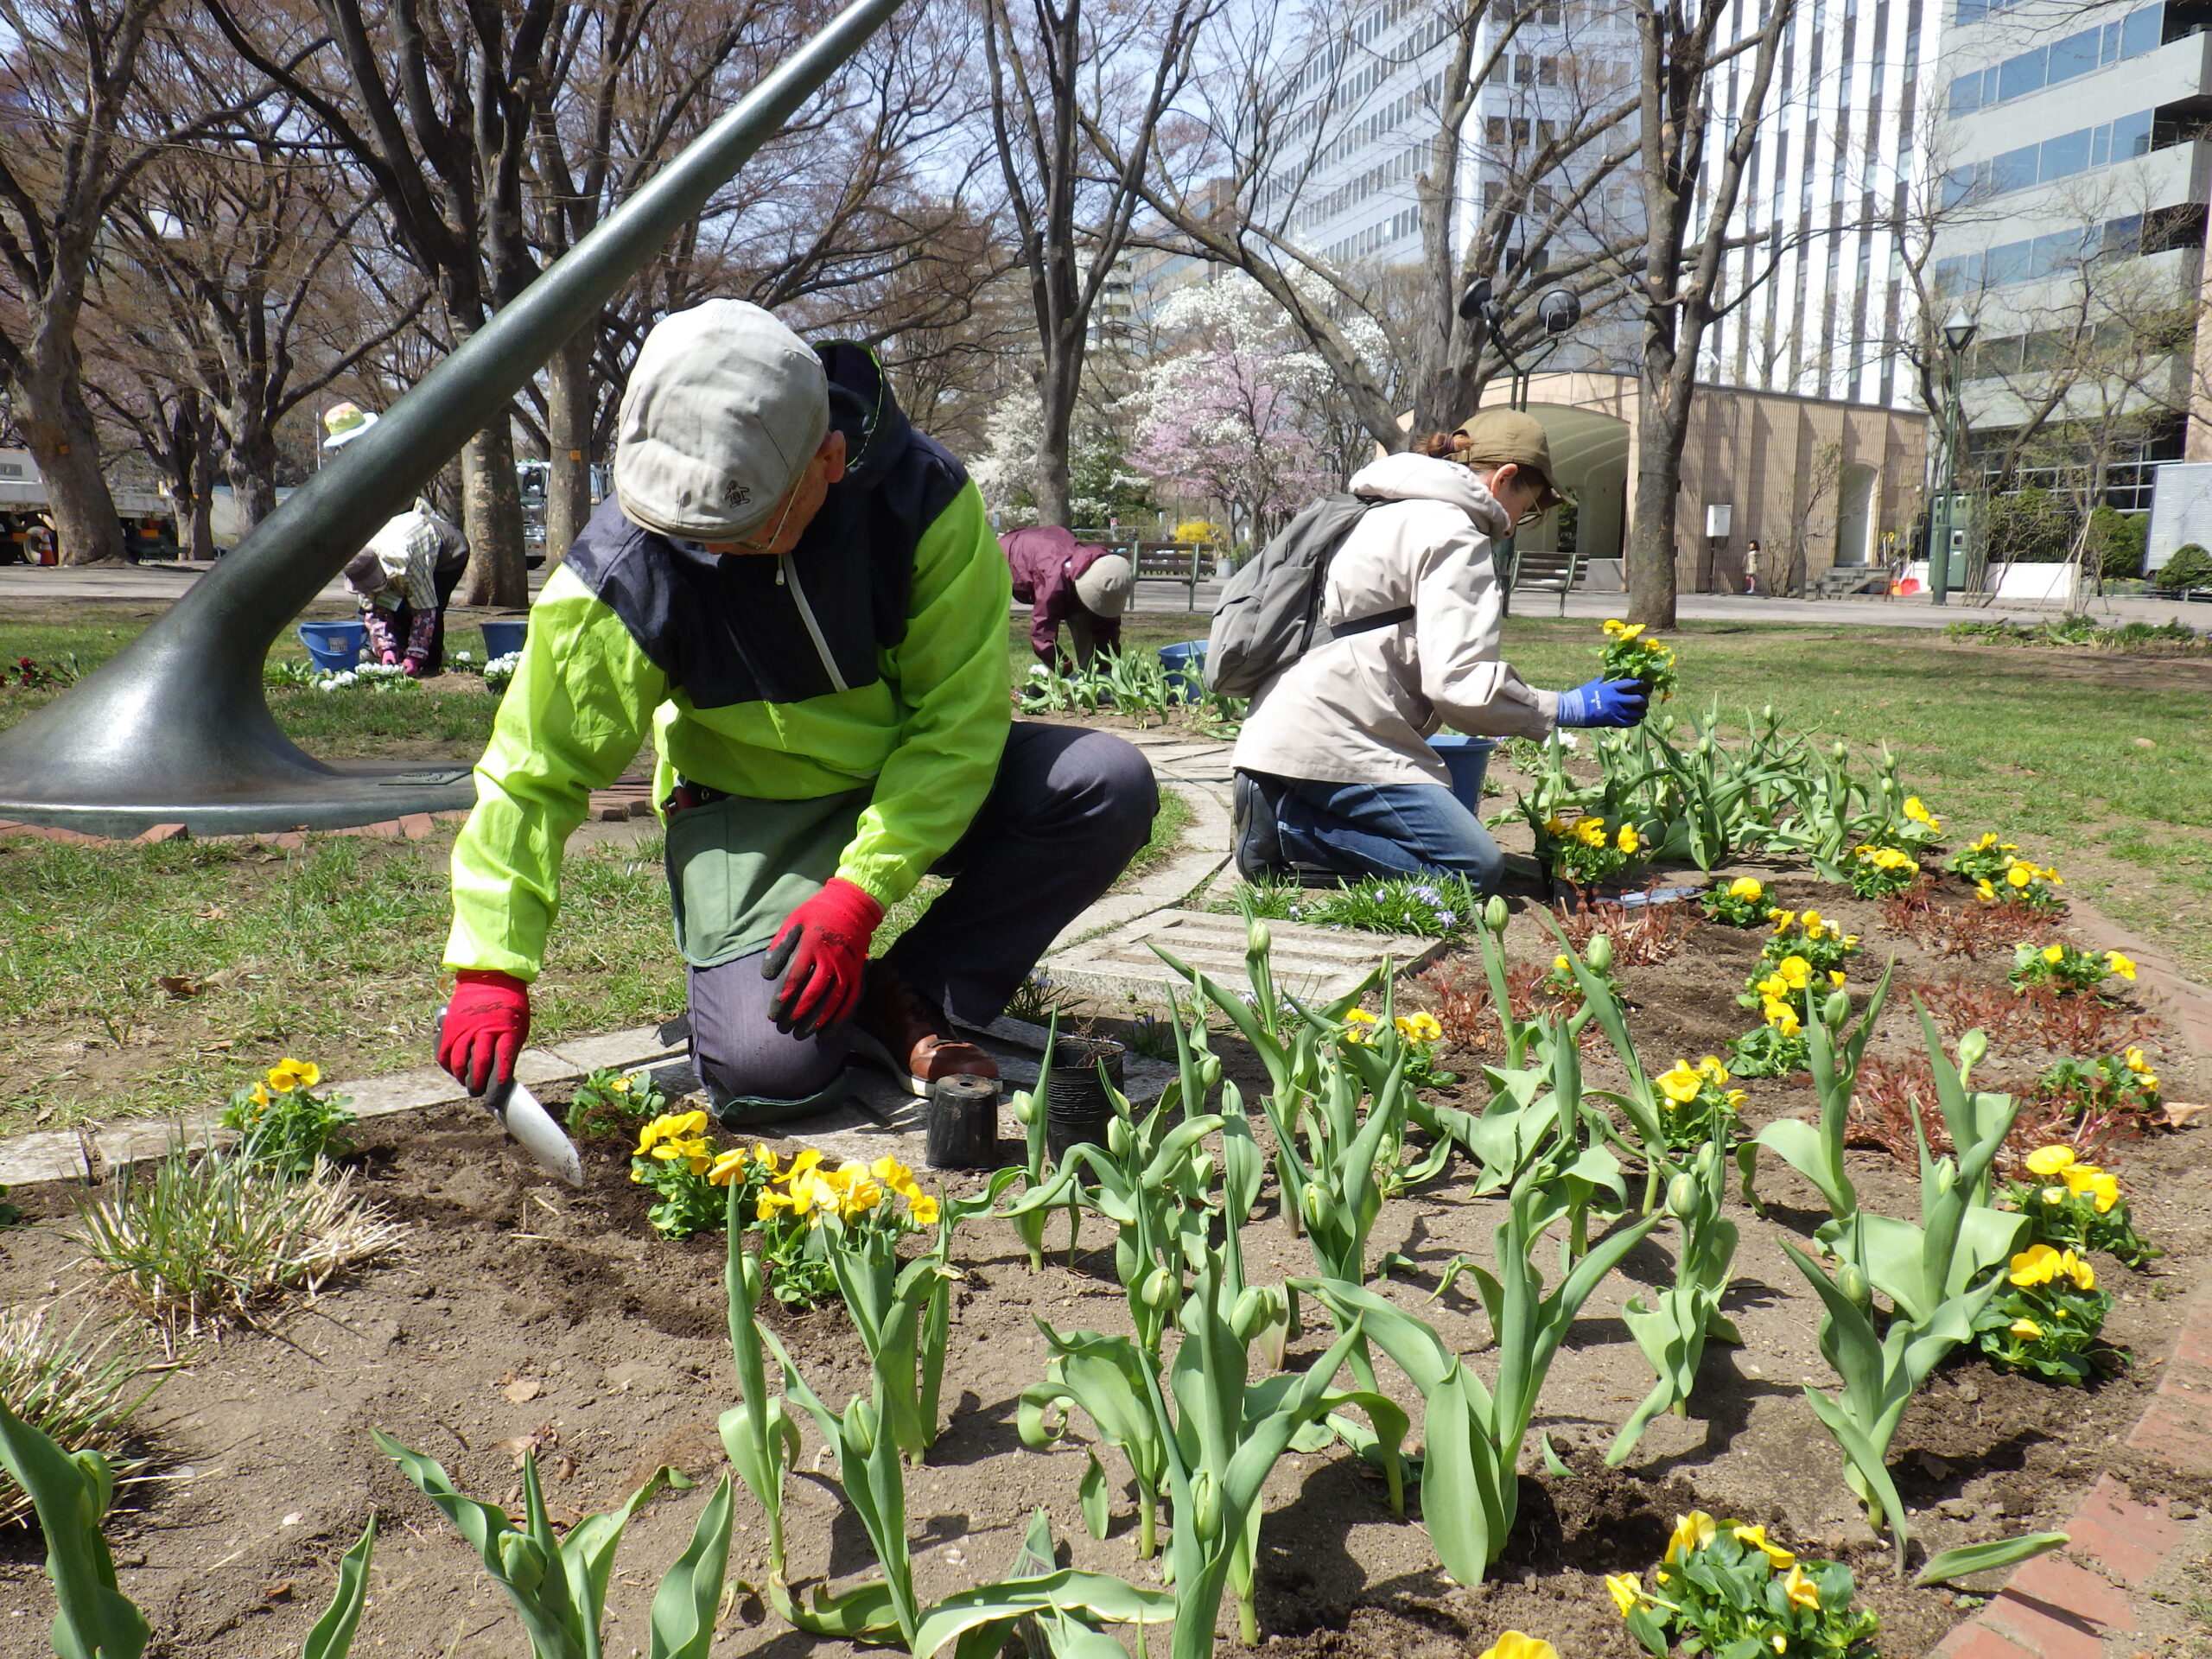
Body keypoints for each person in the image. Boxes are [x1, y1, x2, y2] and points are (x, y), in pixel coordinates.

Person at [434, 300, 1158, 1124]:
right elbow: (536, 770)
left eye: (742, 532)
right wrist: (491, 969)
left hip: (905, 772)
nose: (710, 553)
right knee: (770, 1070)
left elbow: (955, 723)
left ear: (829, 460)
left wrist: (858, 896)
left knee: (1104, 783)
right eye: (689, 532)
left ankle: (911, 985)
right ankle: (783, 995)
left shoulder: (922, 501)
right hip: (750, 806)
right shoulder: (626, 565)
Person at [1231, 407, 1650, 891]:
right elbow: (1458, 686)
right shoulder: (1454, 531)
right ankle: (1285, 830)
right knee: (1470, 869)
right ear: (1504, 479)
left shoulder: (1376, 510)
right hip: (1340, 739)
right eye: (1530, 506)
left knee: (1446, 849)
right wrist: (1566, 707)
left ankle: (1281, 808)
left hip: (1287, 732)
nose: (1516, 523)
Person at [341, 499, 469, 675]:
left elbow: (426, 612)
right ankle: (399, 657)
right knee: (397, 610)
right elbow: (375, 612)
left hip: (449, 552)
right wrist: (385, 648)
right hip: (412, 539)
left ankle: (431, 665)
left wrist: (415, 656)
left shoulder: (410, 563)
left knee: (430, 606)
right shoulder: (361, 564)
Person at [1001, 525, 1135, 670]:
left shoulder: (1108, 572)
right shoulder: (1053, 583)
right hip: (1008, 557)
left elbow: (1109, 626)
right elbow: (1042, 636)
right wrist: (1067, 672)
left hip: (1052, 552)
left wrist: (1110, 669)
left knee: (1090, 618)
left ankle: (1097, 673)